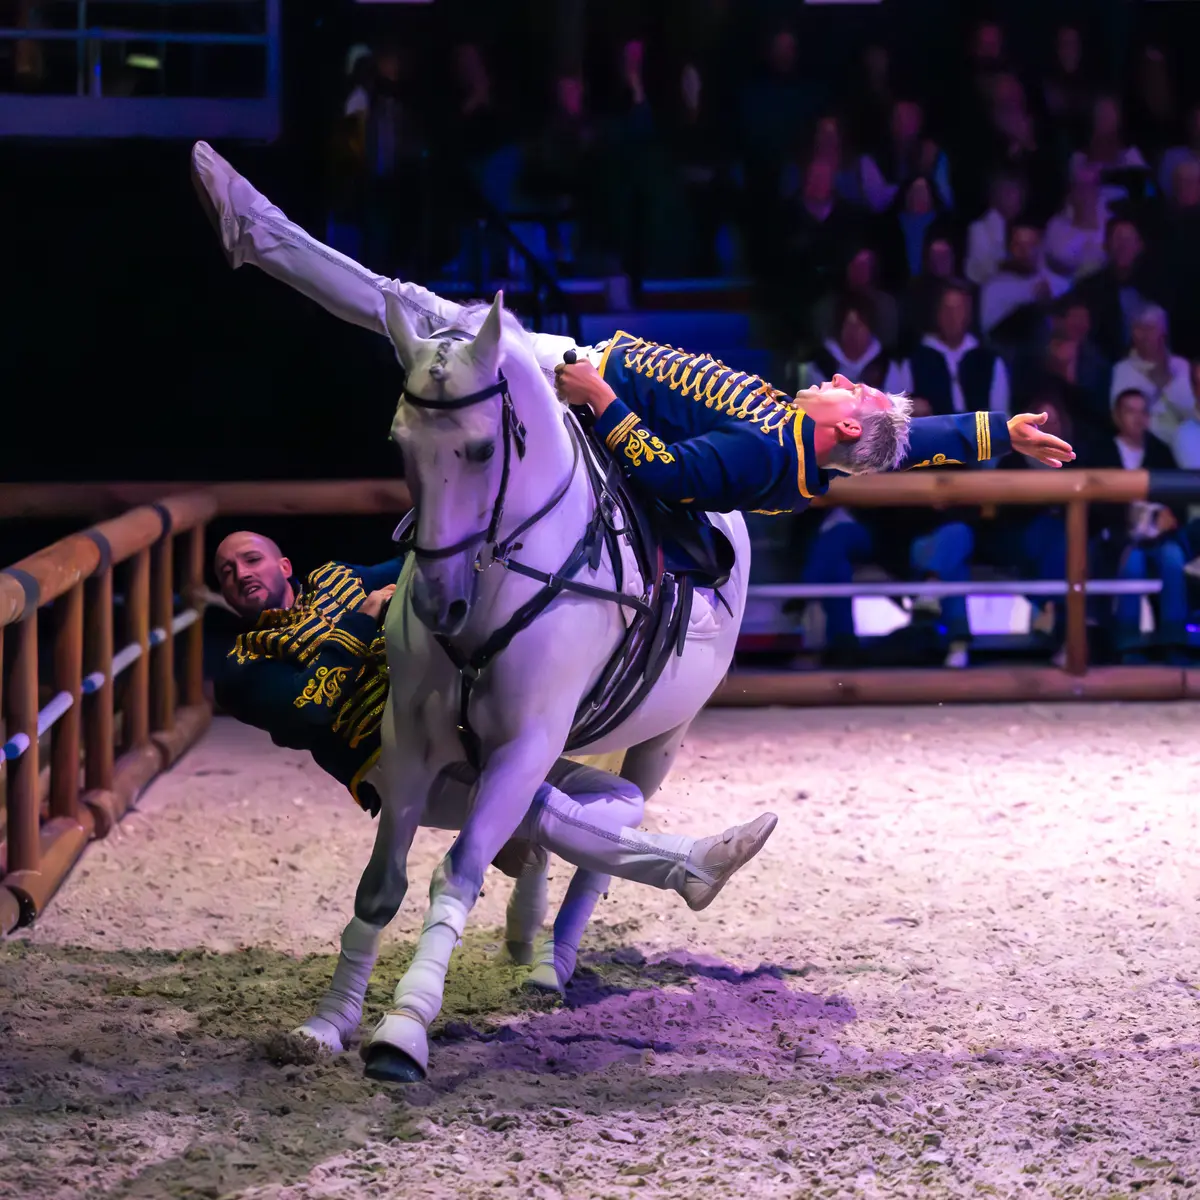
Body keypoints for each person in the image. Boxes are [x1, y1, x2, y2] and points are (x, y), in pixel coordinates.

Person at [191, 141, 1074, 524]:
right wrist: (1003, 432)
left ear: (840, 424)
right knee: (421, 313)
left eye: (850, 391)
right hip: (590, 372)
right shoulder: (814, 437)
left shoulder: (767, 455)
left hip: (582, 383)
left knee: (421, 311)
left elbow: (669, 472)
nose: (841, 381)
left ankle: (261, 237)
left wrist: (604, 396)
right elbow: (912, 441)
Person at [209, 530, 775, 916]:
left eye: (251, 559)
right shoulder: (241, 666)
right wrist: (361, 624)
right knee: (537, 804)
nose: (241, 573)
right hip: (388, 767)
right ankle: (683, 865)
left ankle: (527, 868)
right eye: (227, 571)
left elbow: (420, 559)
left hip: (458, 728)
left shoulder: (338, 577)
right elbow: (311, 710)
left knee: (616, 791)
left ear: (283, 565)